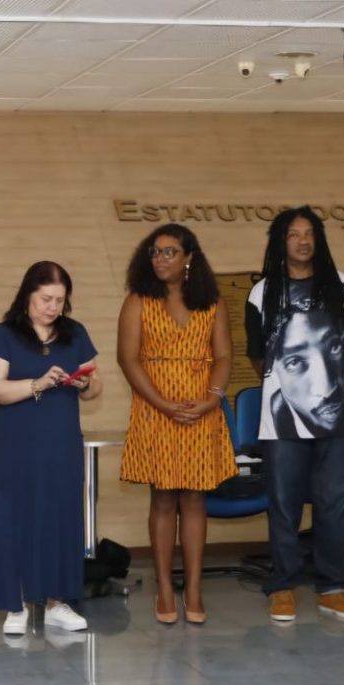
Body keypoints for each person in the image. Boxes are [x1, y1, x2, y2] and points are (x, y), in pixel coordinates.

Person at [248, 207, 344, 623]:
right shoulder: (262, 293)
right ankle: (283, 586)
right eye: (293, 234)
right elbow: (259, 353)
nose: (302, 241)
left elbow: (341, 343)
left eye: (309, 233)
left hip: (337, 424)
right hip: (278, 427)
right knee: (284, 504)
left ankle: (334, 586)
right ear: (281, 242)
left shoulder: (341, 285)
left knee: (334, 501)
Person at [116, 224, 235, 626]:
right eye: (155, 251)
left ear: (189, 258)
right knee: (164, 497)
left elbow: (223, 356)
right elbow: (128, 359)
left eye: (169, 252)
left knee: (196, 499)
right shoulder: (138, 301)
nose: (160, 258)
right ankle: (166, 586)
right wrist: (164, 404)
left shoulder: (212, 302)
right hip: (156, 408)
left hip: (201, 409)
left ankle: (195, 587)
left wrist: (211, 399)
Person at [0, 261, 103, 636]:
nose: (52, 307)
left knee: (62, 518)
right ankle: (15, 605)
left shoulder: (74, 333)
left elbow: (96, 385)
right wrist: (36, 384)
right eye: (45, 299)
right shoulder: (5, 334)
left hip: (62, 443)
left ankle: (57, 602)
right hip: (18, 444)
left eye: (59, 300)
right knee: (16, 517)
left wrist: (83, 385)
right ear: (28, 295)